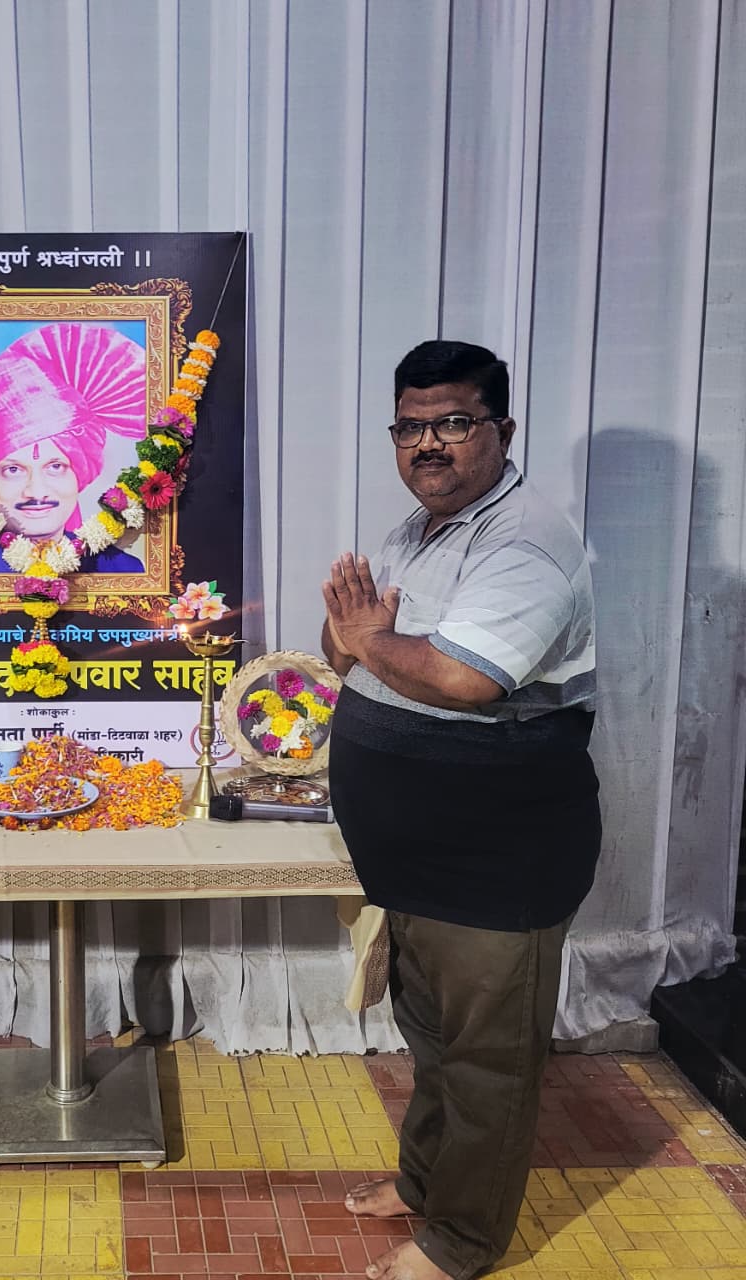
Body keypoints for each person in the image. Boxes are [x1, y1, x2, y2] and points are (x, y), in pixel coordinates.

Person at [321, 340, 600, 1280]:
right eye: (410, 427)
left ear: (501, 430)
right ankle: (423, 1185)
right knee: (434, 1038)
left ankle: (460, 1244)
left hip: (495, 858)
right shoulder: (420, 529)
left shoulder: (526, 542)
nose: (427, 444)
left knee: (488, 1062)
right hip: (414, 857)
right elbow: (351, 650)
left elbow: (463, 678)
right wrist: (359, 638)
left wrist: (368, 639)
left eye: (452, 423)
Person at [0, 322, 146, 572]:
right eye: (12, 470)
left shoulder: (122, 570)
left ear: (78, 474)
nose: (37, 492)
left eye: (55, 466)